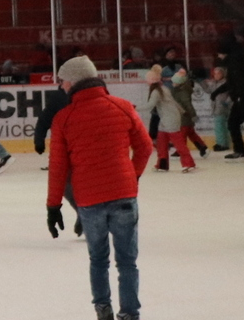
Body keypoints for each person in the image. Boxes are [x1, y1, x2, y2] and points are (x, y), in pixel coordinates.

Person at [44, 56, 153, 320]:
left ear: (74, 81)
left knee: (98, 259)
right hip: (124, 195)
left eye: (63, 81)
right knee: (127, 261)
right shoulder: (122, 106)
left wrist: (53, 206)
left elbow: (58, 167)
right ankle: (129, 313)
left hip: (89, 199)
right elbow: (145, 147)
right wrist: (132, 175)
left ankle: (102, 309)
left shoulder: (64, 118)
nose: (61, 86)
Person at [144, 68, 196, 174]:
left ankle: (188, 163)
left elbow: (149, 106)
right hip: (166, 119)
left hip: (170, 119)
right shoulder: (163, 88)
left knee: (178, 142)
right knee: (161, 141)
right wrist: (182, 111)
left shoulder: (156, 91)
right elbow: (174, 102)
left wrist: (131, 107)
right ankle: (162, 165)